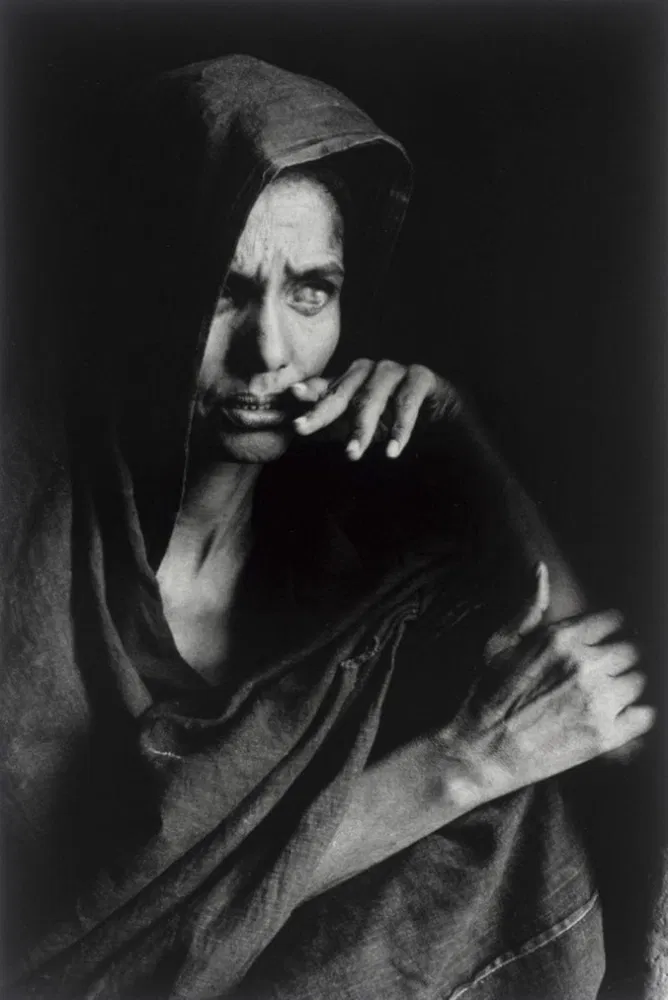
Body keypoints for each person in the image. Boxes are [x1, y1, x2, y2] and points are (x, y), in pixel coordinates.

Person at [0, 54, 654, 1000]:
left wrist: (460, 434)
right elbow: (66, 964)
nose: (269, 348)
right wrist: (460, 765)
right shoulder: (29, 557)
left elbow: (599, 719)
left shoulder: (360, 541)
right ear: (138, 293)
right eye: (222, 291)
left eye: (311, 290)